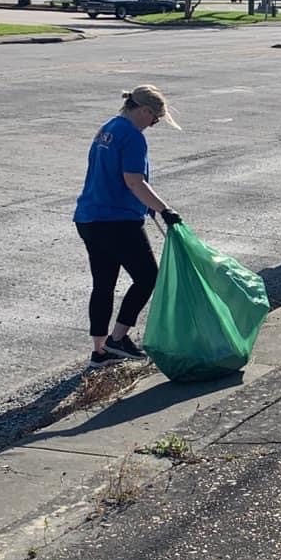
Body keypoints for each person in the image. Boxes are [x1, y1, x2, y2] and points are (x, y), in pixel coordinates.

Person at [73, 85, 182, 369]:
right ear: (144, 111)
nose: (154, 124)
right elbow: (134, 180)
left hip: (89, 217)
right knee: (148, 277)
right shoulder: (133, 136)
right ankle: (118, 339)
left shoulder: (108, 128)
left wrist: (147, 206)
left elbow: (110, 176)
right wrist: (164, 209)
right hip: (117, 221)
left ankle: (100, 351)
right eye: (155, 118)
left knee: (103, 283)